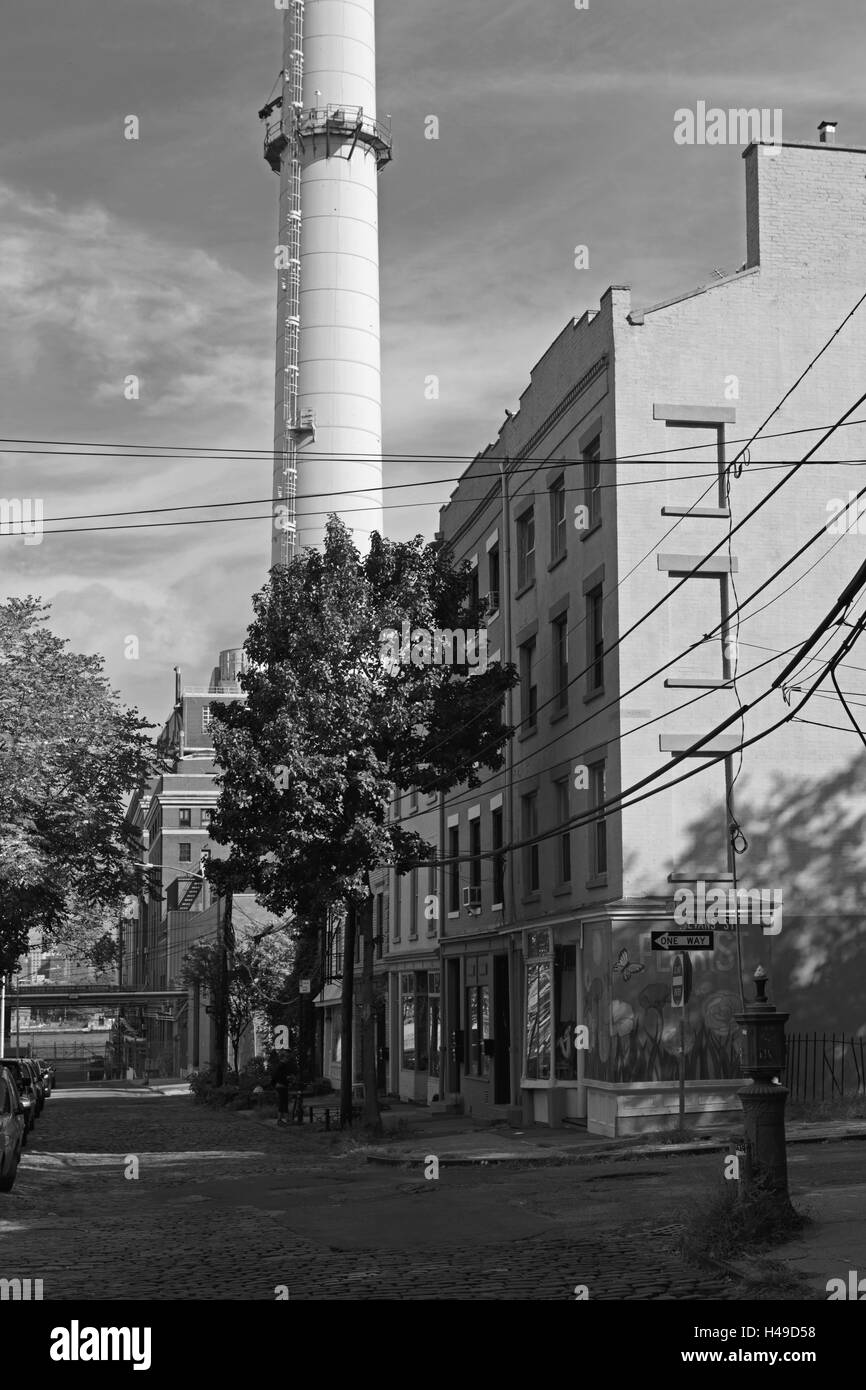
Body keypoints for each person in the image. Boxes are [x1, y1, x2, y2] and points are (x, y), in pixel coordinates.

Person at [269, 1050, 291, 1126]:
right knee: (283, 1103)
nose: (288, 1059)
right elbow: (278, 1076)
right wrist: (287, 1079)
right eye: (287, 1057)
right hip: (281, 1086)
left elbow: (275, 1076)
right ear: (283, 1058)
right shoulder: (282, 1066)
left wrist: (273, 1084)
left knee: (283, 1103)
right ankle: (281, 1120)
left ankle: (285, 1119)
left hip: (280, 1086)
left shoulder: (281, 1066)